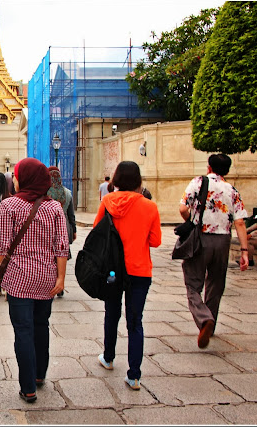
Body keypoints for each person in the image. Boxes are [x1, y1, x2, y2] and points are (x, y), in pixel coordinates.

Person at [0, 158, 69, 403]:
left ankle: (28, 387)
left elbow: (2, 244)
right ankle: (40, 374)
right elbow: (61, 246)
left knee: (23, 331)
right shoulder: (54, 208)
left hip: (19, 278)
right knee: (41, 326)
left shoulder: (10, 205)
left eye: (17, 175)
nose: (14, 179)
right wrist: (61, 277)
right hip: (46, 278)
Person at [94, 161, 161, 391]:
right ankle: (134, 376)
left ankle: (108, 357)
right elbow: (156, 241)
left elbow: (97, 232)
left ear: (117, 178)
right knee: (135, 321)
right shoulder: (149, 206)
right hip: (139, 270)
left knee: (111, 314)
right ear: (138, 180)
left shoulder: (107, 202)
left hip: (113, 270)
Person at [179, 154, 249, 349]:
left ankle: (204, 319)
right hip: (223, 241)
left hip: (201, 238)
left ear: (209, 167)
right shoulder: (232, 190)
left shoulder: (199, 182)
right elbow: (240, 222)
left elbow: (183, 209)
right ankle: (210, 324)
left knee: (193, 284)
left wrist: (191, 221)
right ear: (227, 170)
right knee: (216, 284)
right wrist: (244, 251)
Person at [47, 166, 77, 298]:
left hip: (49, 225)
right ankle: (60, 283)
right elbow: (71, 215)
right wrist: (73, 230)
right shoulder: (67, 193)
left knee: (50, 256)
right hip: (64, 225)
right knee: (61, 255)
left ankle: (53, 283)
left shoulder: (46, 193)